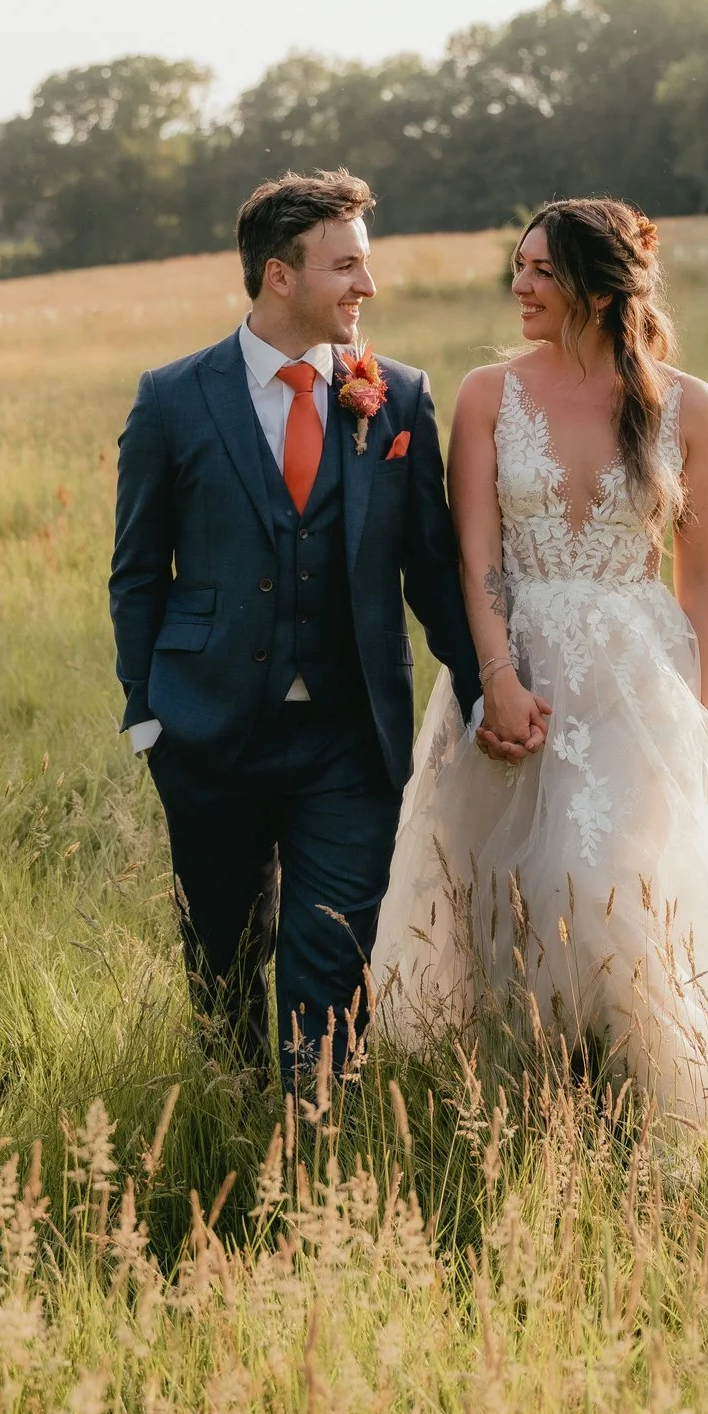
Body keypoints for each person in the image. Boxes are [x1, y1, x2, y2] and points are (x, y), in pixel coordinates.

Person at [372, 197, 708, 1162]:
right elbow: (474, 557)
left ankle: (635, 1113)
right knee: (502, 894)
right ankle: (518, 1110)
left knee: (617, 881)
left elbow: (702, 577)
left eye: (541, 269)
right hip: (518, 674)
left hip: (633, 685)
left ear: (599, 287)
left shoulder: (690, 407)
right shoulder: (487, 394)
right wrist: (495, 678)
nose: (519, 284)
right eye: (518, 264)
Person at [108, 170, 495, 1084]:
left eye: (366, 263)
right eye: (346, 265)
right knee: (223, 960)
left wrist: (485, 689)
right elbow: (137, 571)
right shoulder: (171, 398)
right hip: (206, 727)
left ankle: (316, 1127)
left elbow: (431, 569)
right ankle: (233, 1106)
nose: (368, 285)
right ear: (280, 275)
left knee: (330, 949)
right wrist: (146, 714)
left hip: (350, 736)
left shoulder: (397, 396)